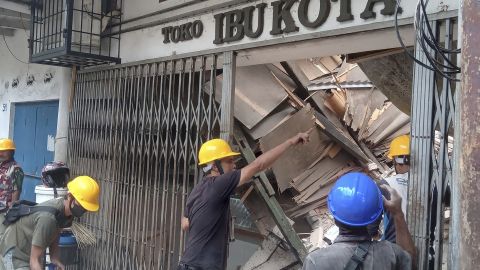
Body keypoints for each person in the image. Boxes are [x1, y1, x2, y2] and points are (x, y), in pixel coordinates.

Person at [178, 129, 312, 270]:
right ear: (215, 166)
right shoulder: (219, 184)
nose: (234, 165)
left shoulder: (197, 190)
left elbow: (185, 224)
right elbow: (258, 165)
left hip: (187, 264)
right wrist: (290, 141)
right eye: (229, 161)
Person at [303, 172, 416, 270]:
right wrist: (398, 214)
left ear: (335, 217)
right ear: (377, 216)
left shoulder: (315, 262)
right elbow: (411, 262)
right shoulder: (390, 254)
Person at [0, 175, 100, 270]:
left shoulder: (66, 212)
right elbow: (34, 261)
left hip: (29, 250)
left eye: (86, 207)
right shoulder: (48, 219)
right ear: (70, 196)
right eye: (81, 205)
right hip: (14, 252)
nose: (83, 209)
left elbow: (56, 233)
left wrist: (54, 258)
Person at [381, 135, 410, 243]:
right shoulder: (434, 185)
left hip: (396, 250)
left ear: (397, 161)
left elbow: (371, 225)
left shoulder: (386, 185)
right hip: (428, 251)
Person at [0, 139, 24, 209]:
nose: (0, 154)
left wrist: (11, 210)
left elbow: (16, 191)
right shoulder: (1, 165)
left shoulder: (16, 169)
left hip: (4, 209)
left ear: (11, 152)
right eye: (0, 151)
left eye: (4, 151)